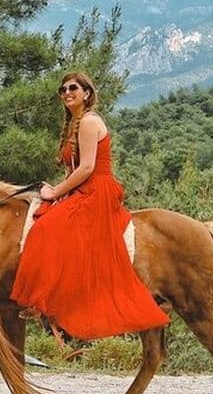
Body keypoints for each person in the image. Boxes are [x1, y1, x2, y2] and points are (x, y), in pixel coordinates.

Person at [10, 72, 169, 340]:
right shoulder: (75, 123)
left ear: (87, 93)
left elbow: (86, 168)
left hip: (96, 190)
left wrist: (56, 192)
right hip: (82, 188)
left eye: (73, 88)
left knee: (46, 229)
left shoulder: (89, 122)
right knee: (46, 218)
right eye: (63, 89)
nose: (67, 92)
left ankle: (44, 300)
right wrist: (59, 190)